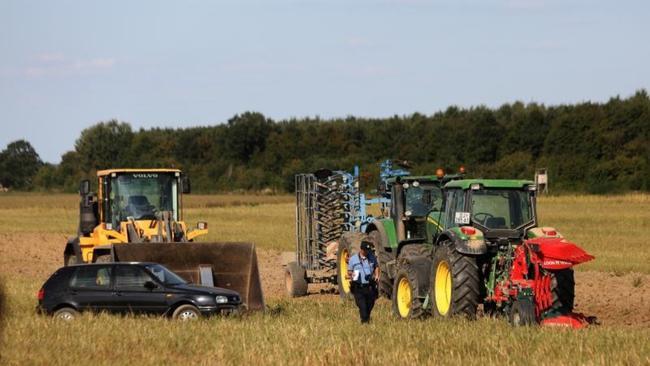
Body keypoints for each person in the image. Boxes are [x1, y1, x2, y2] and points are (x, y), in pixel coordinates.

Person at [347, 241, 380, 324]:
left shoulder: (372, 257)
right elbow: (349, 272)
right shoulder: (353, 259)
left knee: (370, 305)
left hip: (370, 286)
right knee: (362, 306)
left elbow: (376, 267)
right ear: (361, 249)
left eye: (368, 250)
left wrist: (377, 275)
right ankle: (364, 322)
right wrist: (352, 274)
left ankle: (366, 319)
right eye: (366, 250)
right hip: (358, 287)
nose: (367, 252)